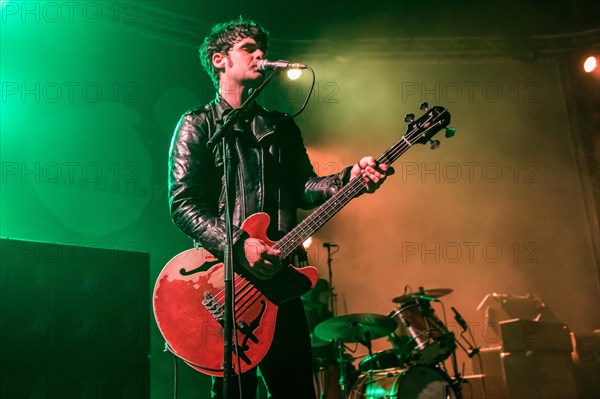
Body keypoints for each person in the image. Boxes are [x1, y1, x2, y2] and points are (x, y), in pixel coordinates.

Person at [168, 18, 392, 399]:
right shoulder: (198, 124)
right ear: (219, 60)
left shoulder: (281, 128)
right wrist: (240, 244)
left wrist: (349, 178)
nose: (260, 55)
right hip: (224, 281)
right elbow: (184, 203)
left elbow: (304, 188)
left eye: (263, 50)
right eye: (248, 48)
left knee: (297, 391)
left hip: (278, 285)